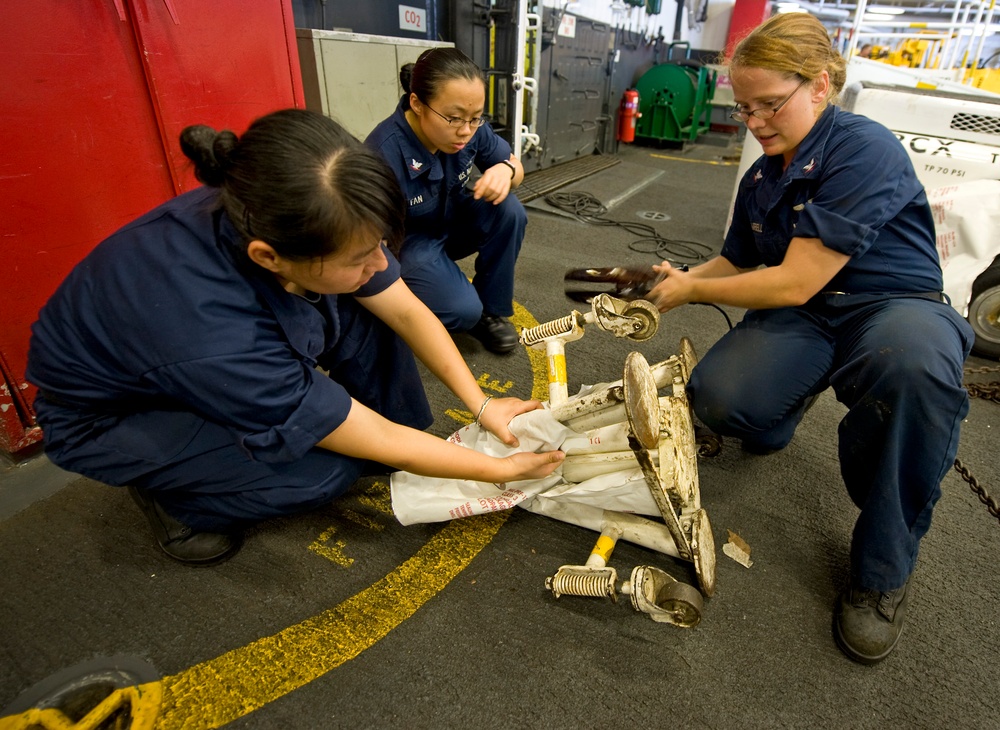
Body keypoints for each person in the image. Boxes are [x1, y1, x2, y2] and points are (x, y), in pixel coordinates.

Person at [26, 109, 563, 567]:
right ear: (268, 256)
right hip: (114, 416)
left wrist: (482, 403)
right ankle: (177, 496)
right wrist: (498, 470)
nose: (380, 263)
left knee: (368, 314)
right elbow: (358, 432)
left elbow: (403, 309)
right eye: (361, 257)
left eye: (381, 243)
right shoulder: (213, 329)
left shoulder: (290, 212)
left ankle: (402, 442)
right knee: (327, 470)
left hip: (193, 356)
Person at [648, 14, 973, 664]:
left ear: (820, 86)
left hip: (891, 310)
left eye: (771, 103)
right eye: (744, 108)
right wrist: (680, 279)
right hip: (813, 314)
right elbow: (739, 263)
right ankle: (783, 406)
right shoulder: (763, 177)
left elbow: (794, 280)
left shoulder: (863, 148)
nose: (757, 121)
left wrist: (691, 292)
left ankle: (881, 576)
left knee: (911, 371)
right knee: (718, 396)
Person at [365, 47, 526, 355]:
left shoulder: (470, 127)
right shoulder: (381, 154)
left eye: (475, 118)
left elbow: (516, 167)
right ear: (417, 103)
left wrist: (505, 171)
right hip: (407, 244)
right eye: (453, 118)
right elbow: (370, 251)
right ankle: (447, 303)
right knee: (462, 311)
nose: (465, 131)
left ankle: (491, 311)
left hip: (451, 220)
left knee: (509, 210)